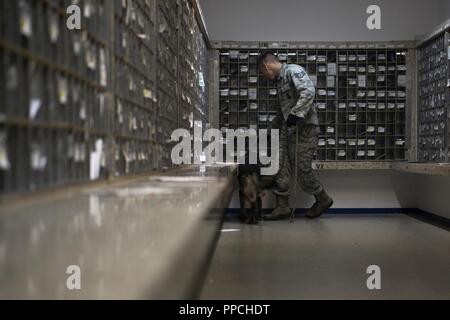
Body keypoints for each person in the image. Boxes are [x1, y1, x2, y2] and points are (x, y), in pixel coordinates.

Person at [257, 52, 334, 220]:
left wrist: (296, 114)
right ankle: (282, 207)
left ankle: (323, 199)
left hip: (305, 129)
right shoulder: (278, 83)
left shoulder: (293, 71)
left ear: (266, 66)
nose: (265, 77)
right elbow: (281, 112)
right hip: (288, 130)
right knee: (280, 167)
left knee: (302, 169)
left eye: (263, 73)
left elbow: (308, 91)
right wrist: (267, 133)